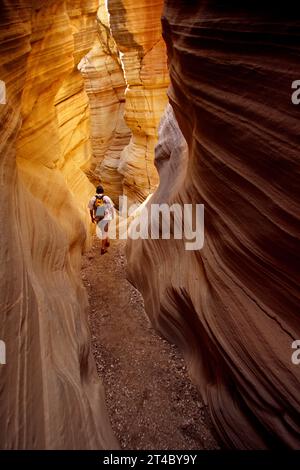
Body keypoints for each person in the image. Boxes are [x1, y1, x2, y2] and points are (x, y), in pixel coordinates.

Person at [88, 185, 115, 255]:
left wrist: (92, 217)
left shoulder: (93, 199)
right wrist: (112, 215)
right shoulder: (106, 198)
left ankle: (107, 240)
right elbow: (111, 207)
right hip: (106, 216)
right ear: (103, 191)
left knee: (103, 231)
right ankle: (103, 248)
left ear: (96, 191)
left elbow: (90, 209)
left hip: (98, 217)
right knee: (104, 232)